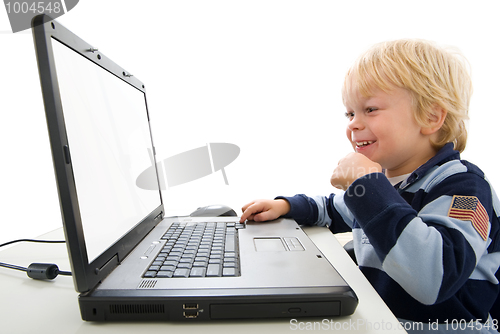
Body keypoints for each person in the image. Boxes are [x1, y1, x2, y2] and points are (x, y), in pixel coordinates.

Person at [240, 39, 500, 333]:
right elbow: (333, 209)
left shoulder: (465, 189)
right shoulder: (389, 181)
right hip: (385, 323)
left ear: (430, 117)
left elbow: (435, 276)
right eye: (350, 113)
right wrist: (287, 206)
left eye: (370, 109)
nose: (353, 124)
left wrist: (367, 184)